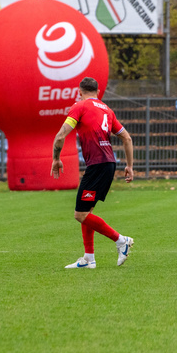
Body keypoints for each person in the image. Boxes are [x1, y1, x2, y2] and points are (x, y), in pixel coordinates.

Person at [52, 76, 135, 269]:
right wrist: (129, 166)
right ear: (98, 92)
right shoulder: (107, 109)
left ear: (79, 91)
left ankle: (121, 240)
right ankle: (89, 258)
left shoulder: (79, 107)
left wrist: (56, 158)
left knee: (79, 214)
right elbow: (127, 138)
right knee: (87, 211)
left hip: (97, 165)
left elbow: (60, 136)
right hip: (108, 164)